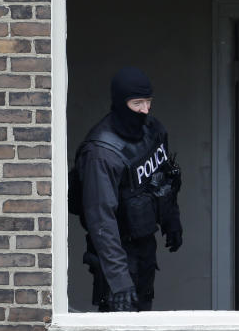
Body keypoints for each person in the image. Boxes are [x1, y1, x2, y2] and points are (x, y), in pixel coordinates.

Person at [72, 66, 183, 312]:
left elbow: (164, 177)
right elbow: (101, 221)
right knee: (117, 326)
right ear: (121, 103)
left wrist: (171, 220)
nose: (145, 110)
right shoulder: (101, 153)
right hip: (115, 255)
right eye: (137, 103)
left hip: (145, 244)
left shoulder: (152, 130)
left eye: (148, 101)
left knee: (144, 314)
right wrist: (119, 281)